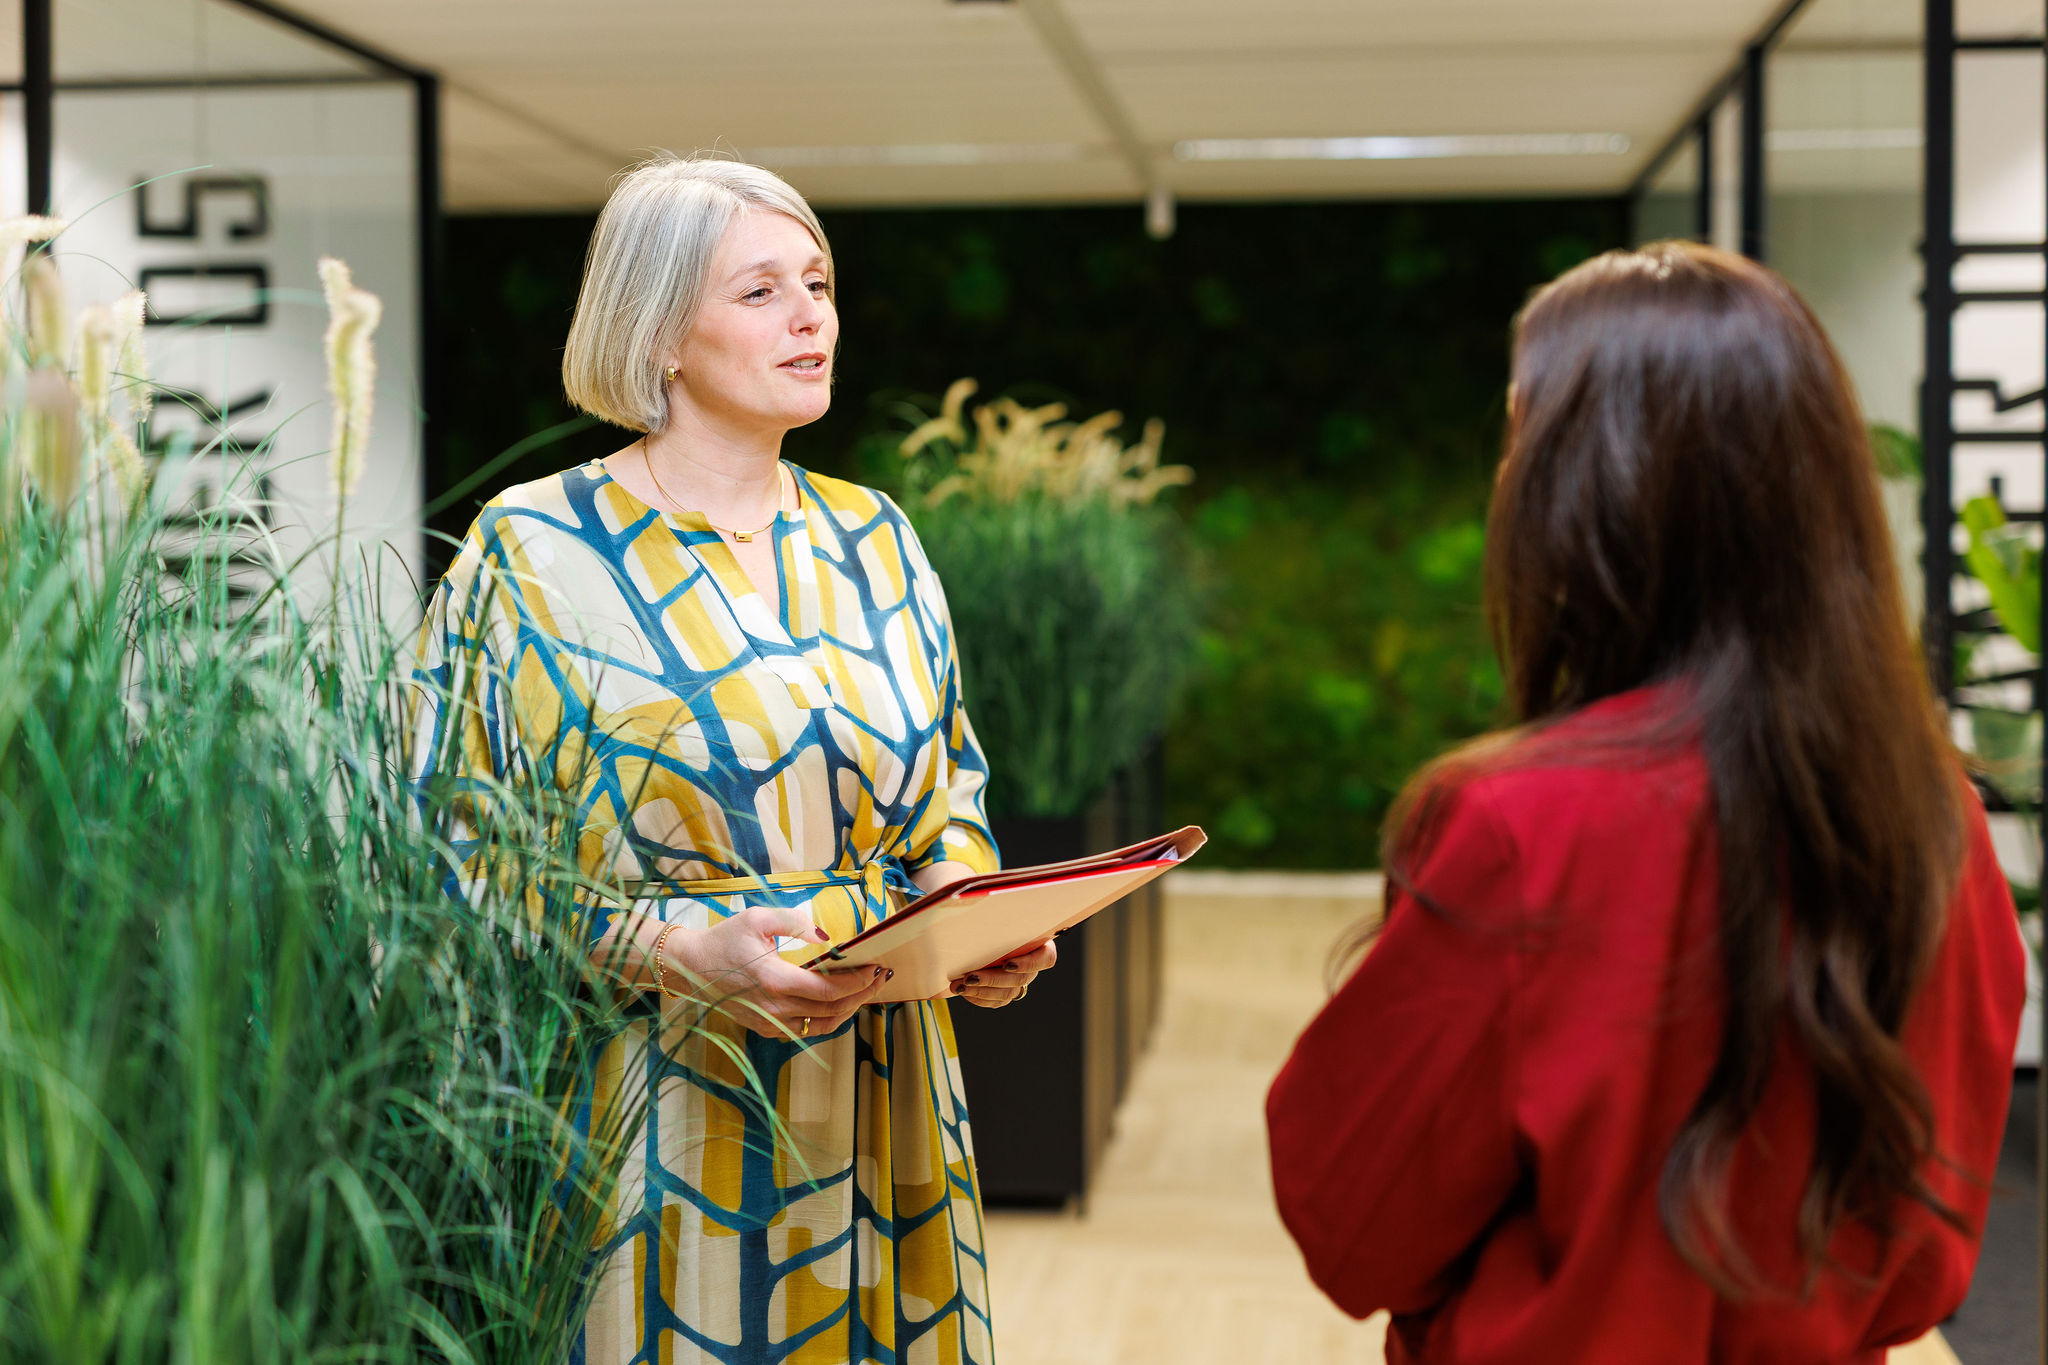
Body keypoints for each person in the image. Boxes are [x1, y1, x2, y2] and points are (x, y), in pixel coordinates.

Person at [1265, 242, 2027, 1364]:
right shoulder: (1937, 824)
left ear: (1589, 486)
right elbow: (1925, 1241)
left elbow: (1353, 1221)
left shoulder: (1518, 828)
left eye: (1523, 432)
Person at [410, 155, 1054, 1364]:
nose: (811, 316)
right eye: (760, 292)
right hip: (654, 1094)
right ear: (657, 332)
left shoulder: (877, 536)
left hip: (884, 1086)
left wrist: (965, 914)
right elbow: (449, 844)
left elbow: (946, 794)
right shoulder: (534, 549)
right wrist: (672, 952)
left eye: (815, 282)